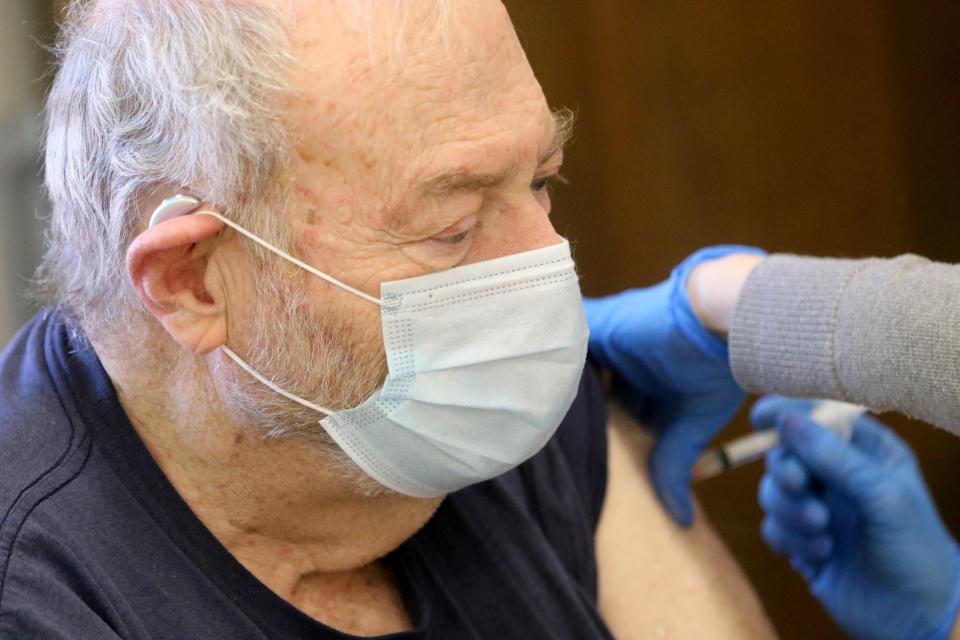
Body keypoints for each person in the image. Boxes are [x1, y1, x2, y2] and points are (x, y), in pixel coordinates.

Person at [0, 1, 776, 638]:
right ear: (191, 280)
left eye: (540, 180)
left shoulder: (488, 394)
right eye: (454, 229)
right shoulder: (45, 600)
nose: (545, 273)